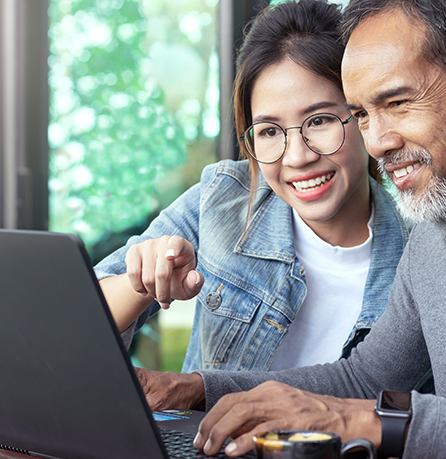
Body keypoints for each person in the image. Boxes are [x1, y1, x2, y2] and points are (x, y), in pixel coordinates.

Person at [135, 1, 446, 457]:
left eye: (397, 103)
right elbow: (364, 378)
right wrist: (196, 388)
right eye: (361, 114)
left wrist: (361, 421)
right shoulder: (437, 232)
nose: (377, 142)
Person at [94, 0, 409, 375]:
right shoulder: (223, 197)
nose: (296, 157)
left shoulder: (418, 253)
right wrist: (142, 282)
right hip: (207, 436)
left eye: (320, 120)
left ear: (363, 115)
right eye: (270, 131)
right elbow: (75, 320)